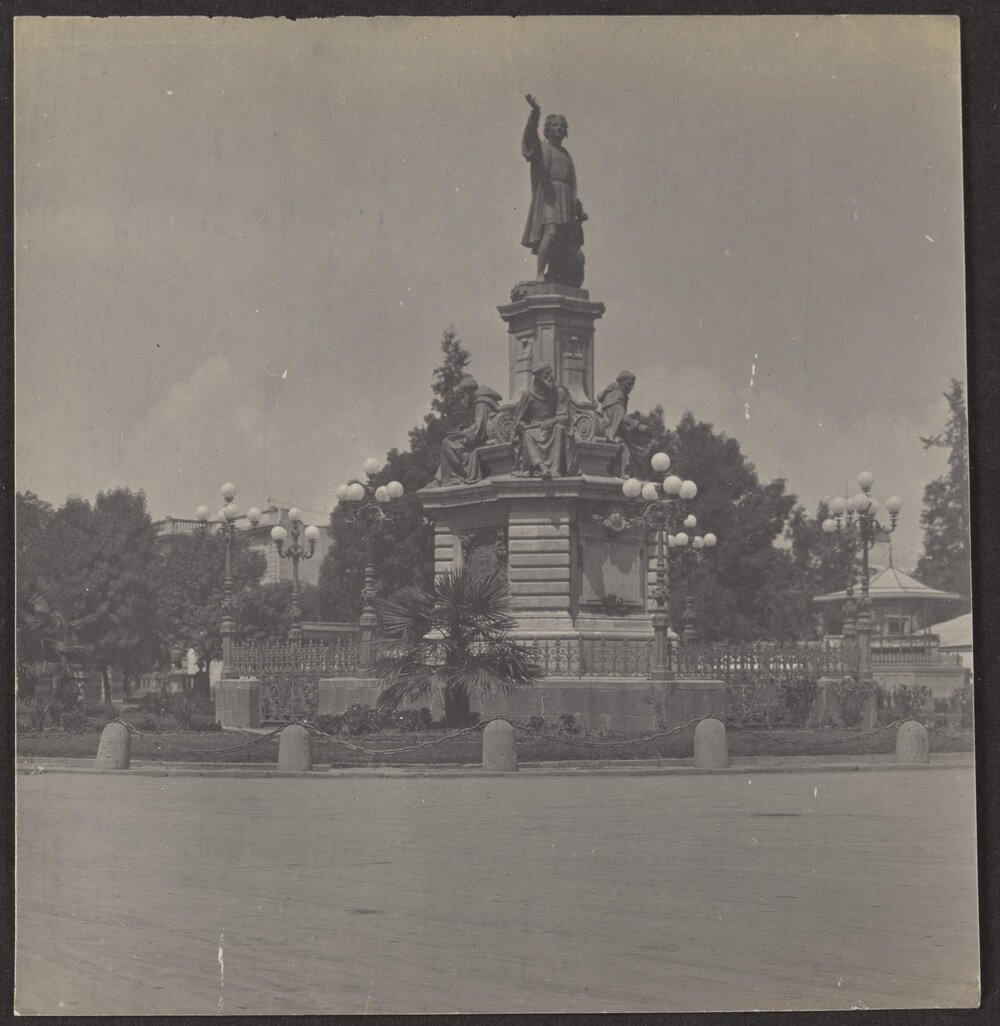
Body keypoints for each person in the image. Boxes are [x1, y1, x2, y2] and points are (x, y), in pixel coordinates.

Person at [521, 94, 587, 285]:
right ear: (547, 129)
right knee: (549, 232)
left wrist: (576, 206)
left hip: (565, 198)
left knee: (562, 239)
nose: (559, 129)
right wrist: (535, 113)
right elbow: (528, 139)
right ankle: (540, 274)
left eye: (562, 126)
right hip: (549, 197)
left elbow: (571, 182)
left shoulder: (566, 154)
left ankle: (554, 274)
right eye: (555, 125)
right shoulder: (542, 149)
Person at [430, 375, 502, 487]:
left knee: (447, 443)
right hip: (478, 440)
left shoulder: (481, 402)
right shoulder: (480, 401)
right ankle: (439, 480)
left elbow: (479, 427)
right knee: (448, 442)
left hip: (482, 442)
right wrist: (463, 431)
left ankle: (454, 478)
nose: (463, 398)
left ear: (469, 391)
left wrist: (463, 433)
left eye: (463, 394)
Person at [513, 363, 578, 478]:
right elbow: (521, 419)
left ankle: (554, 470)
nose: (551, 377)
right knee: (527, 434)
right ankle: (541, 467)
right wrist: (521, 426)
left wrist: (550, 422)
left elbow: (564, 416)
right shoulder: (528, 394)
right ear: (538, 377)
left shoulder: (559, 392)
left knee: (559, 431)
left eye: (551, 373)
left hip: (552, 427)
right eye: (546, 374)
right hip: (534, 429)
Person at [597, 370, 653, 476]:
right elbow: (619, 417)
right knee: (630, 450)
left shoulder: (615, 393)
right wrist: (637, 425)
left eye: (632, 385)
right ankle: (625, 474)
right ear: (621, 382)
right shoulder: (617, 394)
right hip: (611, 432)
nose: (631, 388)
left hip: (613, 430)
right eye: (629, 384)